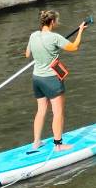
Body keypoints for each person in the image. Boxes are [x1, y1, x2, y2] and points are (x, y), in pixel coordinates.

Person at [26, 9, 86, 152]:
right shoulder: (55, 38)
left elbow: (27, 54)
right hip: (51, 80)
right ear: (52, 22)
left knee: (41, 110)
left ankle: (36, 142)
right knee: (58, 112)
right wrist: (80, 31)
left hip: (37, 79)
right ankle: (58, 145)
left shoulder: (33, 35)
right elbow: (74, 47)